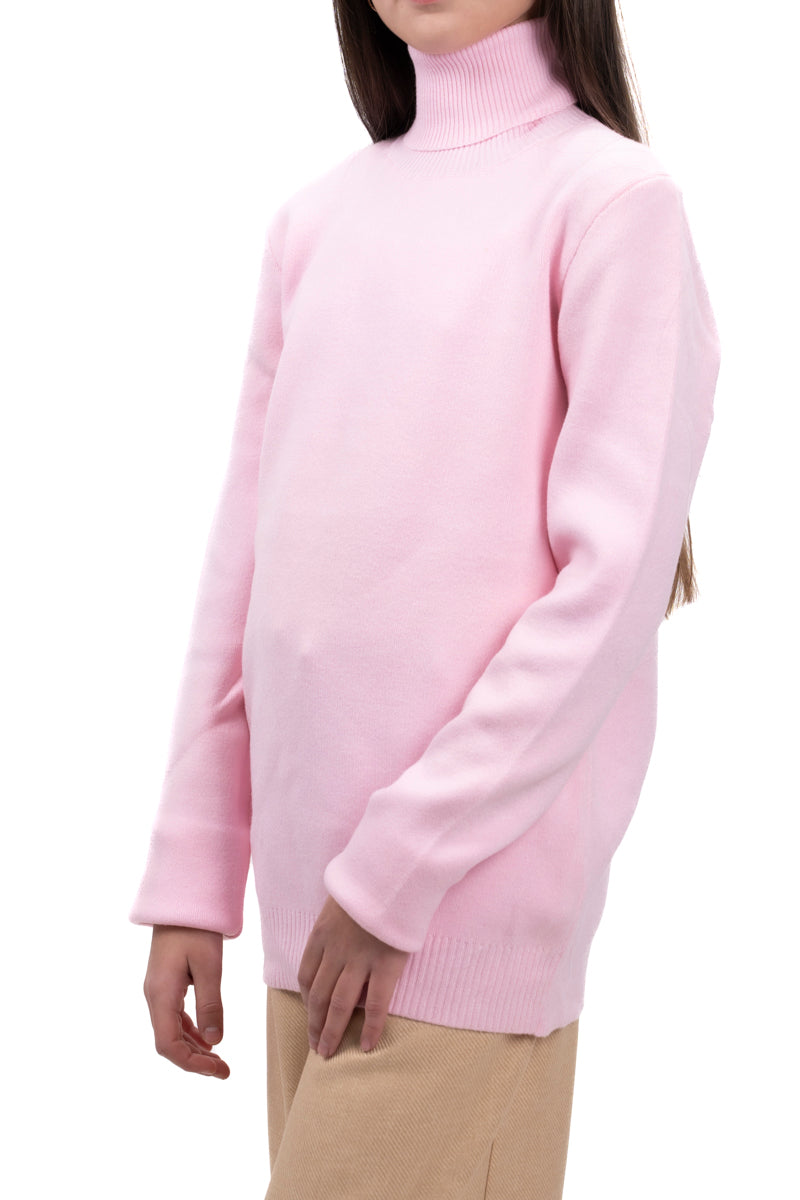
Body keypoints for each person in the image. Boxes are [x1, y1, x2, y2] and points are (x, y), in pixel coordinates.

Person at [129, 1, 721, 1196]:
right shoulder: (313, 223)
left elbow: (603, 593)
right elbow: (244, 568)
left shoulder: (609, 202)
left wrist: (395, 870)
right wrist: (196, 869)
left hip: (456, 915)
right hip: (309, 915)